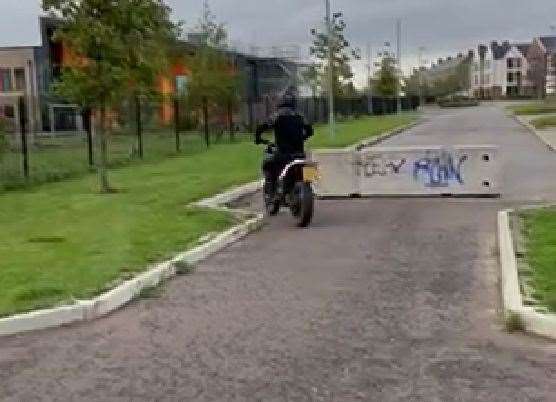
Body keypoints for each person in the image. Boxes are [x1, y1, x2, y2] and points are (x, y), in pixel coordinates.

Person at [255, 88, 314, 202]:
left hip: (283, 154)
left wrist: (258, 138)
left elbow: (262, 127)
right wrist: (301, 138)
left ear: (280, 103)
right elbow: (310, 131)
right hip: (299, 154)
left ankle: (273, 193)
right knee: (309, 168)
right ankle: (305, 186)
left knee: (268, 164)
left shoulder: (277, 116)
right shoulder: (300, 116)